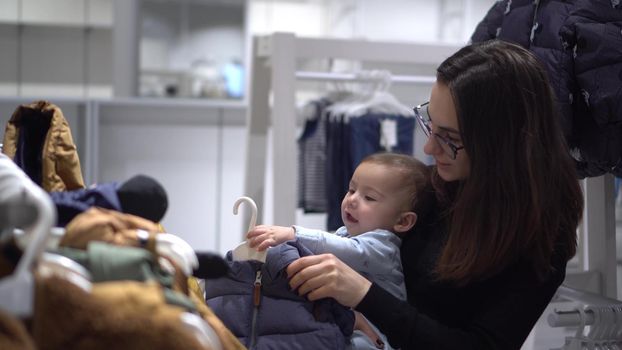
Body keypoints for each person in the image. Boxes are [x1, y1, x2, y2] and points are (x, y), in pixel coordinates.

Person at [284, 40, 584, 349]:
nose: (428, 148)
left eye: (450, 138)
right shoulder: (434, 186)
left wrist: (363, 294)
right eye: (430, 124)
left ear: (501, 143)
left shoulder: (542, 235)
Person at [247, 152, 433, 349]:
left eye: (369, 197)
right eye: (351, 190)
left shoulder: (384, 247)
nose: (352, 200)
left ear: (402, 221)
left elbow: (344, 249)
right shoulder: (345, 234)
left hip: (375, 340)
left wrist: (293, 234)